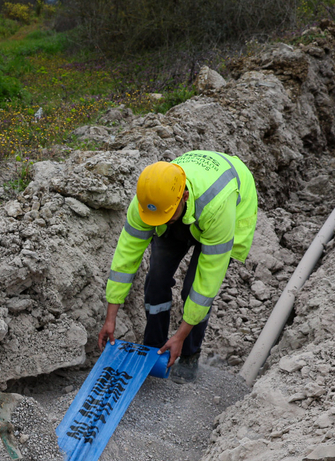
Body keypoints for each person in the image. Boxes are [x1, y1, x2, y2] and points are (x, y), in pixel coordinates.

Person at [97, 151, 258, 383]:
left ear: (183, 197)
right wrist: (110, 317)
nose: (159, 224)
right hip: (181, 205)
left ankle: (190, 353)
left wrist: (181, 336)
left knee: (192, 289)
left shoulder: (217, 207)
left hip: (226, 205)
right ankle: (154, 347)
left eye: (166, 219)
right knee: (156, 279)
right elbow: (125, 260)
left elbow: (207, 284)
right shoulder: (150, 203)